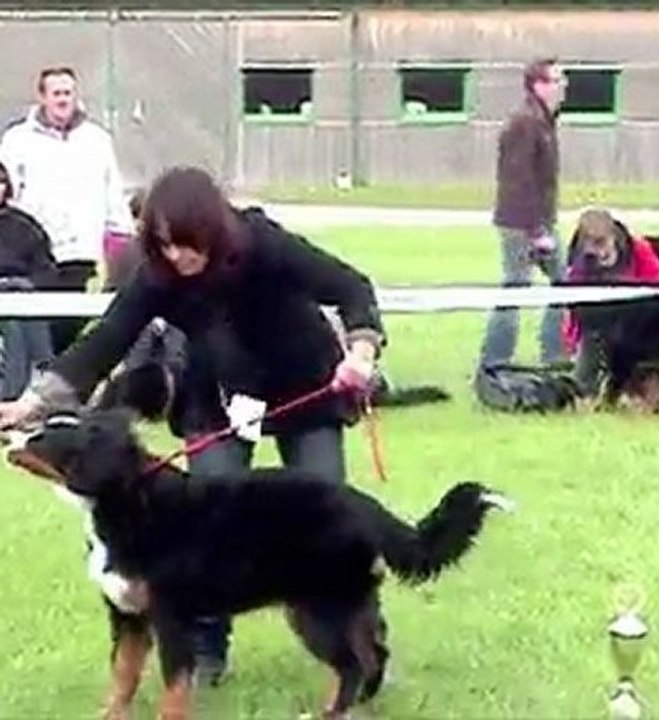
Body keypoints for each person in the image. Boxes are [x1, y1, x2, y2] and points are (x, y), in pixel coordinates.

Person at [0, 165, 386, 686]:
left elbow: (351, 287)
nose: (177, 256)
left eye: (186, 243)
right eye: (163, 245)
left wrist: (360, 352)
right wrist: (30, 404)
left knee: (323, 512)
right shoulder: (158, 274)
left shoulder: (264, 245)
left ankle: (364, 641)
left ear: (213, 229)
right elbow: (106, 340)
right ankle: (204, 649)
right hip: (217, 394)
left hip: (303, 385)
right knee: (203, 515)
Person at [0, 66, 134, 354]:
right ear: (42, 97)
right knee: (29, 332)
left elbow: (112, 193)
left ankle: (55, 373)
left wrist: (121, 243)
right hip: (31, 256)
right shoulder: (17, 140)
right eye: (56, 93)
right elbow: (6, 190)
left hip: (79, 254)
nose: (63, 100)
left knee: (67, 331)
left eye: (68, 93)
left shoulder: (97, 140)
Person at [476, 57, 568, 383]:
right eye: (557, 80)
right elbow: (518, 180)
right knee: (516, 288)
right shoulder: (525, 123)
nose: (563, 86)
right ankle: (495, 359)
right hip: (521, 223)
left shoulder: (543, 120)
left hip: (537, 220)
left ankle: (554, 354)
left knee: (564, 284)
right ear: (538, 85)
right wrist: (536, 230)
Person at [562, 207, 659, 403]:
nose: (600, 252)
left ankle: (641, 397)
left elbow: (655, 284)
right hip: (597, 325)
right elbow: (575, 303)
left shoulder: (638, 249)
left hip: (638, 322)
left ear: (614, 236)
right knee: (591, 344)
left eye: (603, 244)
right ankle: (584, 395)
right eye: (592, 247)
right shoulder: (578, 262)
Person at [0, 159, 57, 399]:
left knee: (25, 309)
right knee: (12, 318)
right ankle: (11, 390)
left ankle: (43, 372)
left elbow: (46, 270)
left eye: (1, 182)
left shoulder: (25, 226)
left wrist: (27, 285)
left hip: (24, 293)